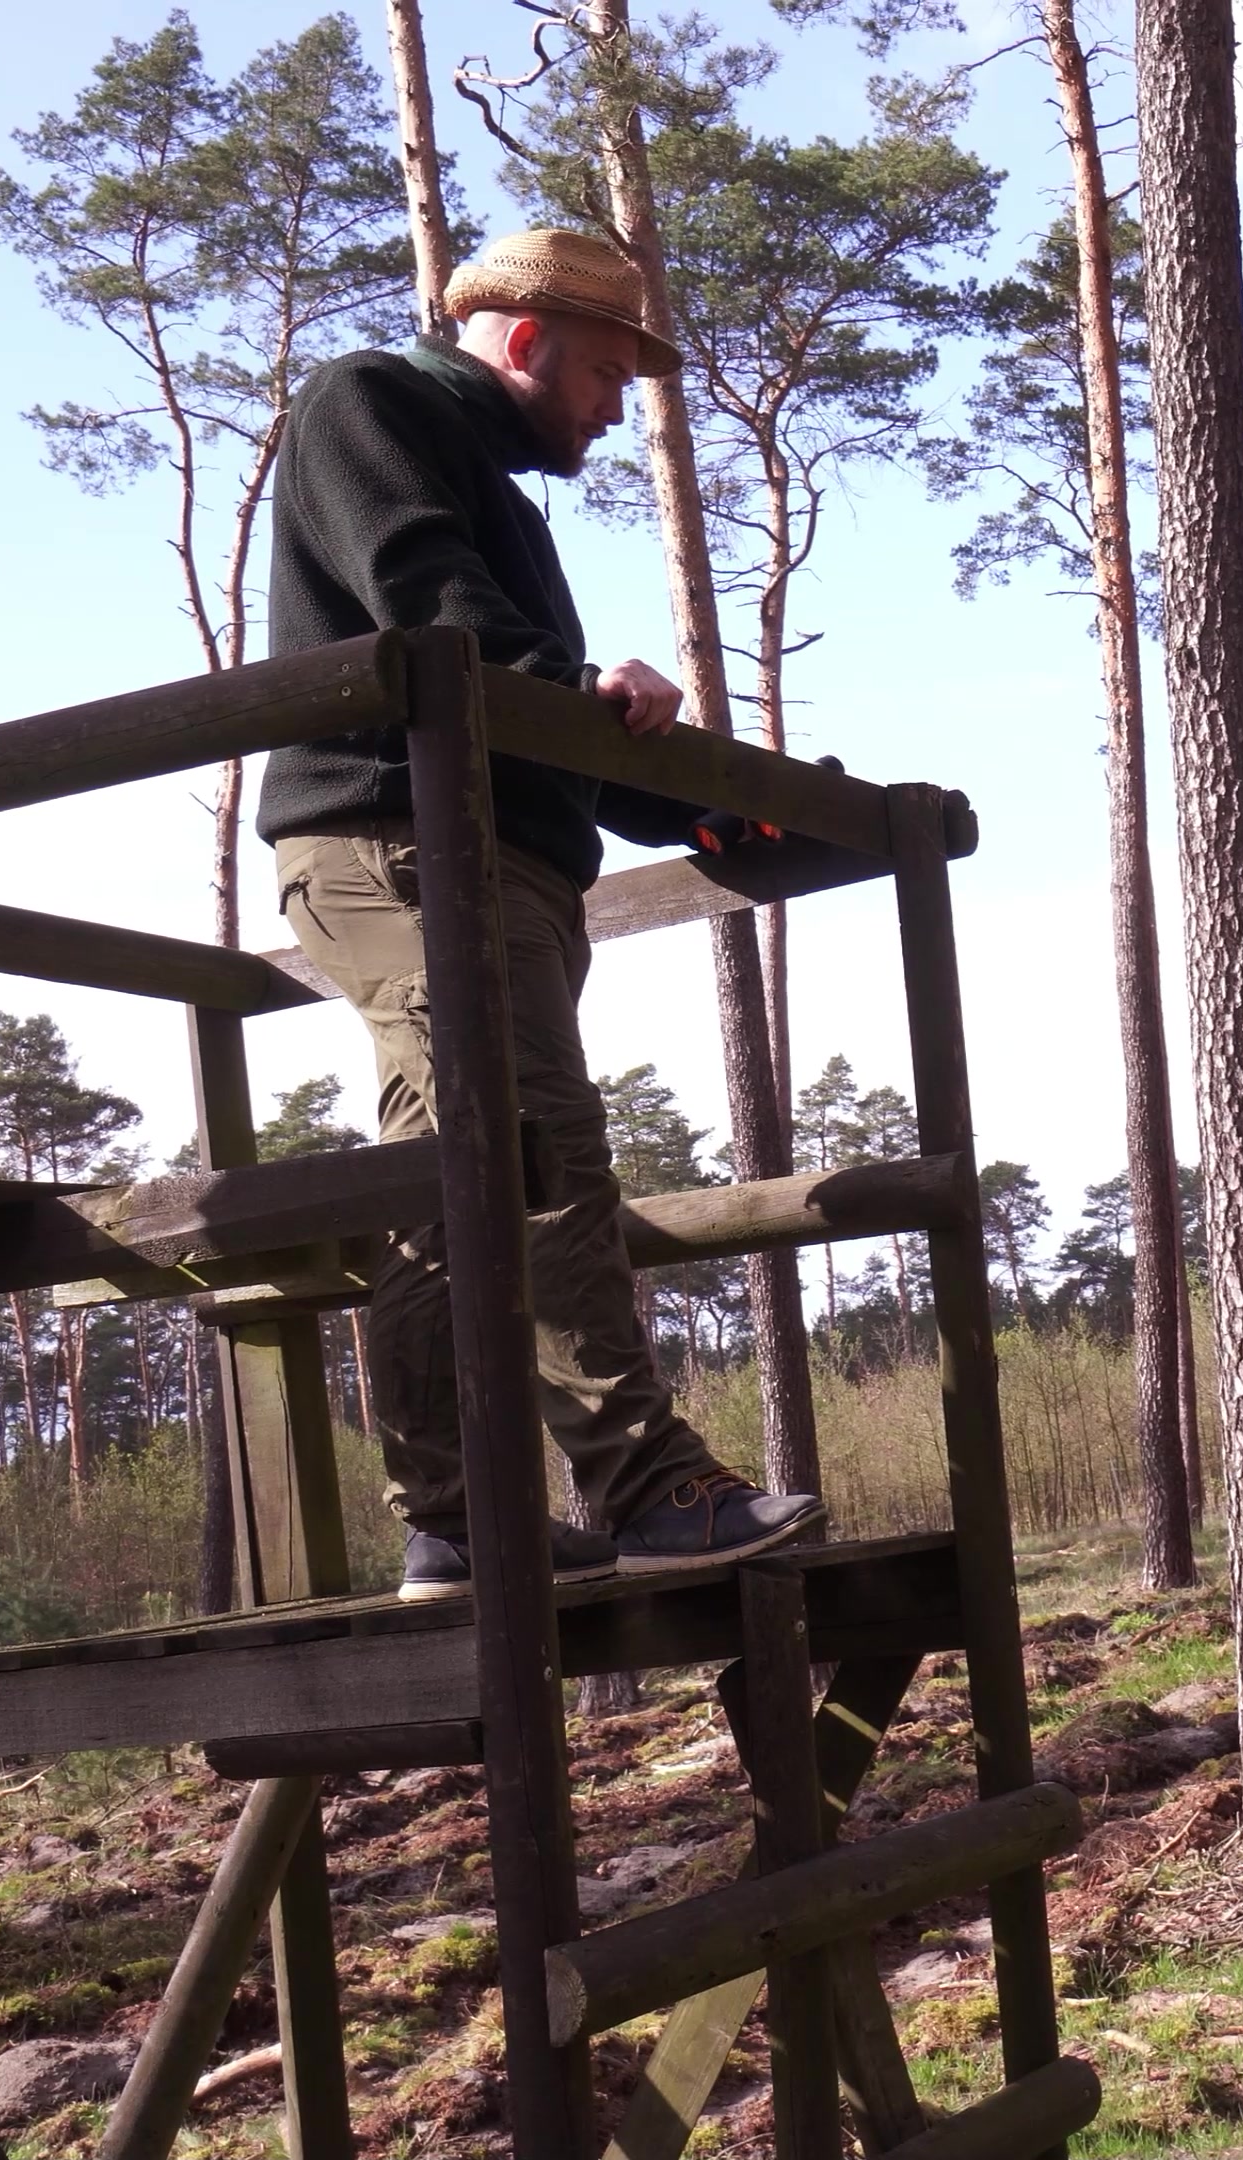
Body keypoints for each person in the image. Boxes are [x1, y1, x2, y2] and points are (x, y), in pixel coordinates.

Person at [258, 226, 818, 1598]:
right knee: (539, 1146)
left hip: (488, 859)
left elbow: (533, 713)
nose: (617, 409)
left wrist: (705, 813)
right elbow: (425, 596)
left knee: (450, 1183)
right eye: (607, 374)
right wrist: (574, 692)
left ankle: (454, 1525)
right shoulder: (368, 403)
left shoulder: (504, 506)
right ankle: (647, 1484)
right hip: (404, 845)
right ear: (523, 341)